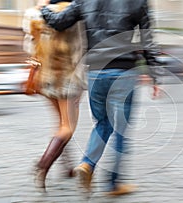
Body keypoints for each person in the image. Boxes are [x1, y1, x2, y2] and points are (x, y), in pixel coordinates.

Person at [37, 0, 163, 195]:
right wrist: (154, 73)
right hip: (124, 72)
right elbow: (148, 39)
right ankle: (113, 183)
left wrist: (43, 8)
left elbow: (59, 22)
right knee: (121, 130)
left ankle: (87, 165)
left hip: (96, 72)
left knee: (103, 123)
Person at [22, 0, 86, 190]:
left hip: (45, 77)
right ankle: (43, 163)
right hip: (69, 78)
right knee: (68, 127)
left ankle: (67, 167)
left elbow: (29, 46)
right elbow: (82, 48)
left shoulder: (34, 14)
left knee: (60, 124)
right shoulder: (75, 13)